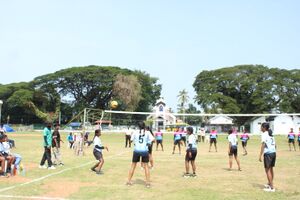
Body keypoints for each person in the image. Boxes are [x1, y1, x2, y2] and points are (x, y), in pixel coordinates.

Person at [127, 122, 153, 188]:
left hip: (136, 151)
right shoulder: (147, 132)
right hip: (144, 151)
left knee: (133, 166)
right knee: (146, 166)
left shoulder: (135, 132)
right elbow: (153, 139)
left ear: (138, 126)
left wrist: (134, 141)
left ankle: (128, 181)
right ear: (144, 126)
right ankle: (147, 183)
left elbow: (131, 140)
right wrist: (148, 143)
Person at [259, 122, 276, 192]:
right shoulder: (271, 134)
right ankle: (270, 183)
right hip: (273, 153)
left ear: (264, 128)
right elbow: (275, 145)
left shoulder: (264, 134)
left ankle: (271, 187)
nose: (260, 128)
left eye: (261, 127)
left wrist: (260, 155)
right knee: (271, 169)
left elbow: (263, 145)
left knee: (267, 170)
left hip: (268, 154)